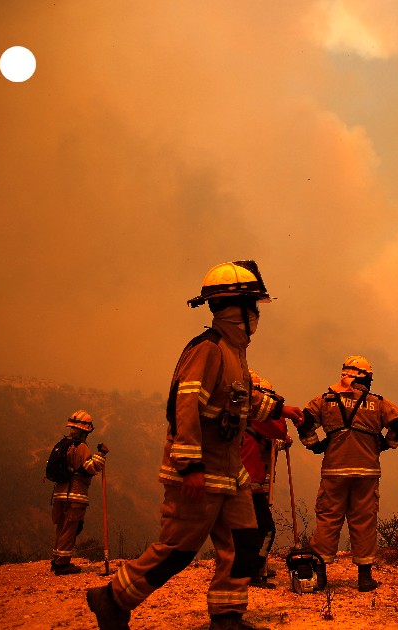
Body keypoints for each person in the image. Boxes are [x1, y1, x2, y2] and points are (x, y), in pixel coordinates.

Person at [87, 260, 302, 630]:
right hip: (201, 471)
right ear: (235, 308)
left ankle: (227, 617)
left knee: (243, 542)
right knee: (178, 550)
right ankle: (112, 598)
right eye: (252, 305)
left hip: (230, 472)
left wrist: (283, 409)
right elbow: (184, 406)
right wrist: (190, 467)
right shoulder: (208, 350)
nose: (256, 314)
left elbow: (239, 400)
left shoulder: (234, 352)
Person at [296, 355, 398, 592]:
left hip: (334, 471)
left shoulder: (325, 400)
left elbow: (303, 421)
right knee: (364, 520)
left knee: (328, 519)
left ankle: (320, 575)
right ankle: (365, 578)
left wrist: (315, 445)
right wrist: (385, 444)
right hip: (367, 472)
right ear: (365, 378)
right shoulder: (378, 403)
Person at [243, 370, 291, 588]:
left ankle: (242, 568)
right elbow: (278, 429)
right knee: (265, 529)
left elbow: (265, 439)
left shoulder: (235, 416)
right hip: (250, 483)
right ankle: (253, 571)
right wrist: (276, 408)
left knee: (240, 530)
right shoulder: (255, 415)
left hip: (237, 481)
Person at [49, 410, 108, 575]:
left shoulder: (63, 444)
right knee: (70, 529)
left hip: (59, 494)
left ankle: (56, 560)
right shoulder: (80, 447)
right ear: (85, 431)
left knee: (61, 528)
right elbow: (90, 468)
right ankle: (62, 565)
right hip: (75, 495)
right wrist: (101, 455)